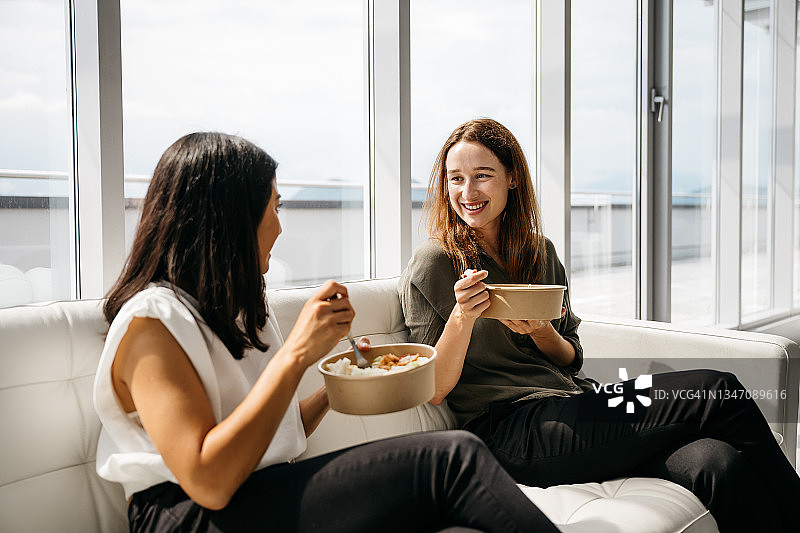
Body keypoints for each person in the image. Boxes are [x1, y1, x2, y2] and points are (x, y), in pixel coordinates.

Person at [93, 132, 561, 533]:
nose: (280, 225)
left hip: (257, 491)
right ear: (230, 220)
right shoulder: (152, 324)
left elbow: (258, 432)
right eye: (273, 206)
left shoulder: (234, 310)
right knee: (455, 458)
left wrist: (342, 390)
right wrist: (297, 353)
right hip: (183, 515)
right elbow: (208, 480)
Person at [399, 118, 800, 533]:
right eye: (456, 179)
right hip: (511, 431)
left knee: (718, 464)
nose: (468, 192)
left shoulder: (539, 252)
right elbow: (432, 389)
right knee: (718, 390)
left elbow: (571, 356)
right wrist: (464, 317)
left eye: (482, 176)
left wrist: (541, 332)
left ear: (512, 177)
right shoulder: (435, 262)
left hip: (575, 403)